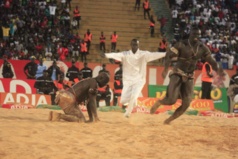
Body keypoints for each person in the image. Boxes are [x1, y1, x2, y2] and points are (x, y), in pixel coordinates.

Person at [150, 27, 225, 124]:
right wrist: (165, 69)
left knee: (186, 104)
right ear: (190, 34)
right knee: (171, 100)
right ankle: (159, 102)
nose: (196, 37)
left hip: (190, 76)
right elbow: (168, 55)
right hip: (177, 72)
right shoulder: (182, 44)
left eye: (198, 35)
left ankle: (168, 120)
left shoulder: (202, 48)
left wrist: (218, 72)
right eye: (194, 34)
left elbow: (212, 62)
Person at [102, 39, 166, 117]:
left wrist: (166, 53)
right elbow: (115, 54)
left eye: (136, 45)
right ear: (131, 45)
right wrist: (106, 55)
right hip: (128, 81)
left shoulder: (144, 54)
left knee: (133, 96)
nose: (134, 46)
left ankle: (128, 113)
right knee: (123, 101)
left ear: (138, 45)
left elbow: (155, 54)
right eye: (133, 44)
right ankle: (134, 102)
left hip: (139, 80)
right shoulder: (125, 54)